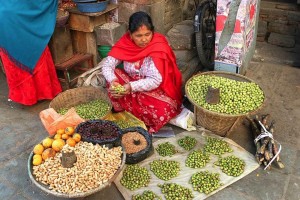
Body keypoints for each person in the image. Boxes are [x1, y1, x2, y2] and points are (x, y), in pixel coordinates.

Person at [101, 11, 183, 133]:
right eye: (138, 36)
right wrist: (114, 81)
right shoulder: (126, 44)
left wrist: (131, 86)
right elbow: (107, 64)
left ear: (152, 32)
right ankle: (127, 109)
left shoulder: (158, 46)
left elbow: (156, 80)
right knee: (115, 75)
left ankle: (130, 110)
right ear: (130, 34)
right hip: (130, 86)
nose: (144, 39)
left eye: (147, 34)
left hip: (155, 89)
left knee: (165, 110)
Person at [0, 1, 62, 106]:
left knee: (17, 57)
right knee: (37, 50)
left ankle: (27, 97)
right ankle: (42, 93)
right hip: (13, 17)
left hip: (5, 16)